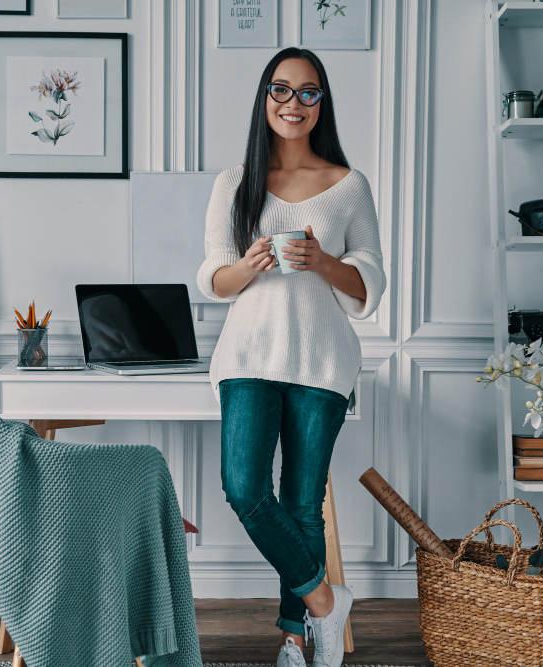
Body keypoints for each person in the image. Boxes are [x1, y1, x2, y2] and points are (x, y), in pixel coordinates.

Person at [195, 48, 386, 667]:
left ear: (321, 104)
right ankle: (328, 602)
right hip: (249, 355)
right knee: (244, 486)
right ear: (264, 97)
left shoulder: (348, 185)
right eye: (282, 90)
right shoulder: (235, 182)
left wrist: (322, 262)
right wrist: (246, 267)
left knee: (302, 502)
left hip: (323, 361)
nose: (294, 104)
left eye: (308, 93)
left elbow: (369, 286)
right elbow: (212, 279)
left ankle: (297, 639)